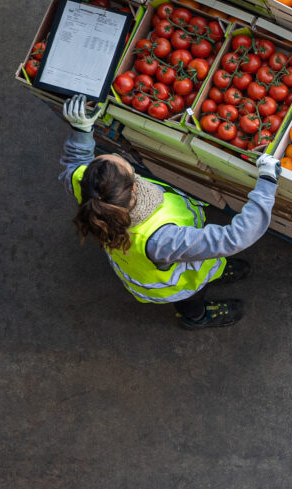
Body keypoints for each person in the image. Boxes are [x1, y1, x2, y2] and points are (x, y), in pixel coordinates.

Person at [57, 96, 280, 328]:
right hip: (176, 284)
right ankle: (196, 318)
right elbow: (234, 238)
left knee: (207, 264)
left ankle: (216, 271)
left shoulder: (89, 189)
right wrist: (266, 183)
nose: (112, 156)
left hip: (159, 258)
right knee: (190, 298)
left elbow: (76, 162)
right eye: (120, 162)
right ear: (134, 186)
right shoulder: (161, 239)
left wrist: (81, 131)